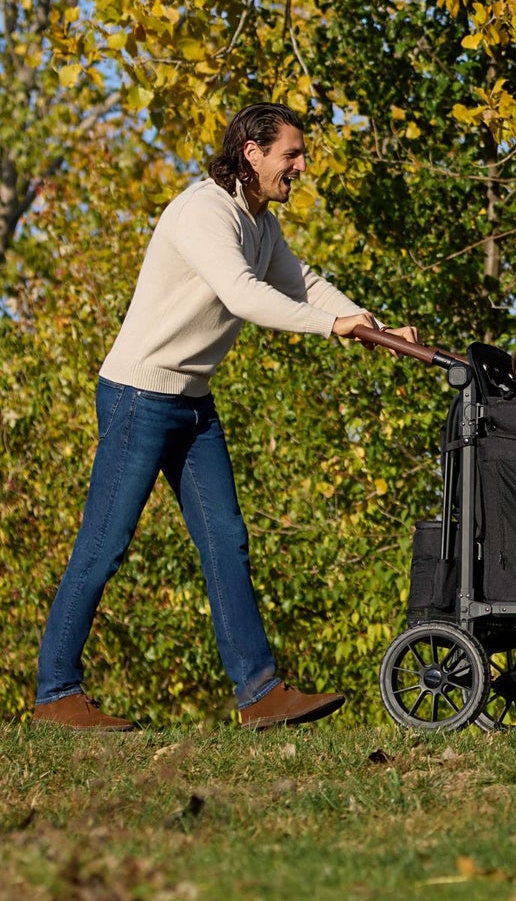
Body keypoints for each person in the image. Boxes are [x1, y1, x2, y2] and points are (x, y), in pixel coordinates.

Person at [33, 103, 417, 732]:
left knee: (226, 541)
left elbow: (305, 285)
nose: (300, 165)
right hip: (138, 397)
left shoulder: (259, 222)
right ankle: (56, 694)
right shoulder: (203, 213)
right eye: (291, 154)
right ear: (252, 153)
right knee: (105, 545)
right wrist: (333, 327)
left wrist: (373, 327)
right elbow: (243, 294)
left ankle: (259, 692)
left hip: (191, 402)